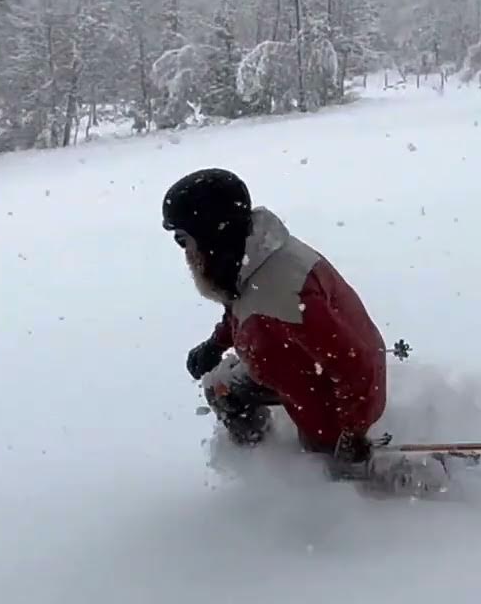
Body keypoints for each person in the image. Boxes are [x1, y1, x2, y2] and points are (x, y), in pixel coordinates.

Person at [162, 167, 448, 492]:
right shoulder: (251, 254)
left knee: (330, 466)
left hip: (326, 396)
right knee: (222, 388)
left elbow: (356, 366)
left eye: (184, 240)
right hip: (292, 367)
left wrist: (351, 435)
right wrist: (215, 345)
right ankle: (263, 461)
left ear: (211, 236)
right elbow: (241, 307)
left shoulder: (281, 293)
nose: (184, 253)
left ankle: (392, 480)